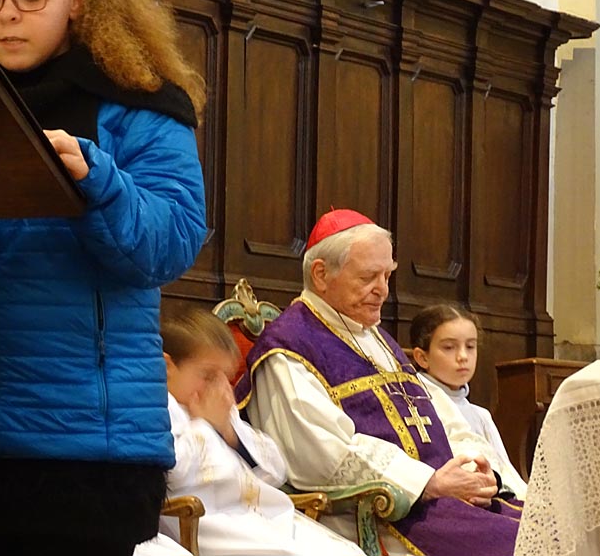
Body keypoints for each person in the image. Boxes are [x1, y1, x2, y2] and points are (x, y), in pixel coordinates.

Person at [0, 0, 207, 556]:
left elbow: (170, 243)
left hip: (87, 450)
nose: (7, 14)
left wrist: (98, 180)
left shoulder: (139, 106)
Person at [236, 209, 522, 556]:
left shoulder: (376, 338)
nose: (383, 290)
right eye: (369, 277)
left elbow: (440, 416)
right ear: (321, 274)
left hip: (445, 498)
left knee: (547, 530)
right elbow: (322, 454)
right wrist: (429, 482)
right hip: (378, 513)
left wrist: (477, 468)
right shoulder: (289, 347)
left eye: (387, 275)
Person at [160, 305, 365, 556]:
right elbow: (172, 475)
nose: (222, 387)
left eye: (226, 377)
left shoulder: (218, 408)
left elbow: (275, 471)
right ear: (167, 366)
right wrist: (205, 426)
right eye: (209, 375)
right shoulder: (159, 409)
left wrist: (230, 433)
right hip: (210, 526)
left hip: (263, 520)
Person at [409, 304, 528, 499]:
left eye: (470, 346)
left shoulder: (481, 415)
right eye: (449, 347)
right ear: (422, 358)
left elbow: (507, 475)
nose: (463, 356)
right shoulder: (418, 405)